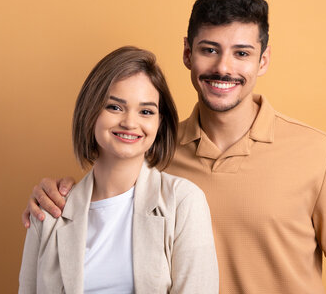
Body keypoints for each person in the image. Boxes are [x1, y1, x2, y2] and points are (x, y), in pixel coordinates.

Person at [23, 0, 326, 293]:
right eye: (209, 50)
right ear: (187, 53)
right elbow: (101, 209)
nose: (224, 67)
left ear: (263, 60)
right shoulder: (151, 153)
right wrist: (51, 195)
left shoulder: (318, 154)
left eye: (242, 53)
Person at [19, 47, 218, 294]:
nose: (130, 123)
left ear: (159, 123)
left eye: (146, 111)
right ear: (91, 112)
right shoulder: (49, 210)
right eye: (114, 107)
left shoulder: (184, 202)